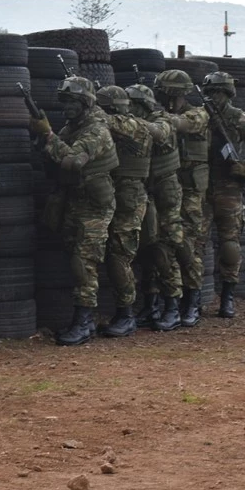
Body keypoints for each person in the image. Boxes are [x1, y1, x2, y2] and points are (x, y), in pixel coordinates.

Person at [31, 76, 118, 346]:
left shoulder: (96, 130)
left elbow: (73, 161)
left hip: (93, 206)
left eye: (72, 101)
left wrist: (48, 135)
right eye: (65, 101)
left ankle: (84, 321)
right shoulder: (73, 126)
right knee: (75, 259)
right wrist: (42, 140)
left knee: (84, 263)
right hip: (75, 201)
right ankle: (83, 320)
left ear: (85, 102)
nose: (67, 106)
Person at [202, 71, 245, 317]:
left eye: (217, 92)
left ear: (228, 93)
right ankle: (193, 298)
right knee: (194, 243)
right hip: (201, 187)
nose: (213, 97)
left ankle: (228, 296)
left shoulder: (239, 119)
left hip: (228, 186)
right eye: (210, 93)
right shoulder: (201, 116)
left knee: (230, 244)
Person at [96, 86, 158, 337]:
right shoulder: (122, 124)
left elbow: (104, 120)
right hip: (116, 194)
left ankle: (126, 314)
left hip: (129, 197)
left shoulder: (135, 126)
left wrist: (92, 106)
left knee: (119, 255)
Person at [155, 70, 211, 326]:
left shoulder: (198, 113)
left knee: (187, 246)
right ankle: (171, 302)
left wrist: (157, 115)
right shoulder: (161, 114)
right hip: (167, 188)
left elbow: (180, 124)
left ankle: (193, 299)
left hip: (190, 193)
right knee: (163, 245)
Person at [126, 84, 184, 331]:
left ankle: (173, 306)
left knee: (164, 247)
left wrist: (127, 122)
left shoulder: (161, 121)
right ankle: (151, 303)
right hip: (145, 190)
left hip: (165, 192)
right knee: (146, 247)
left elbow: (159, 133)